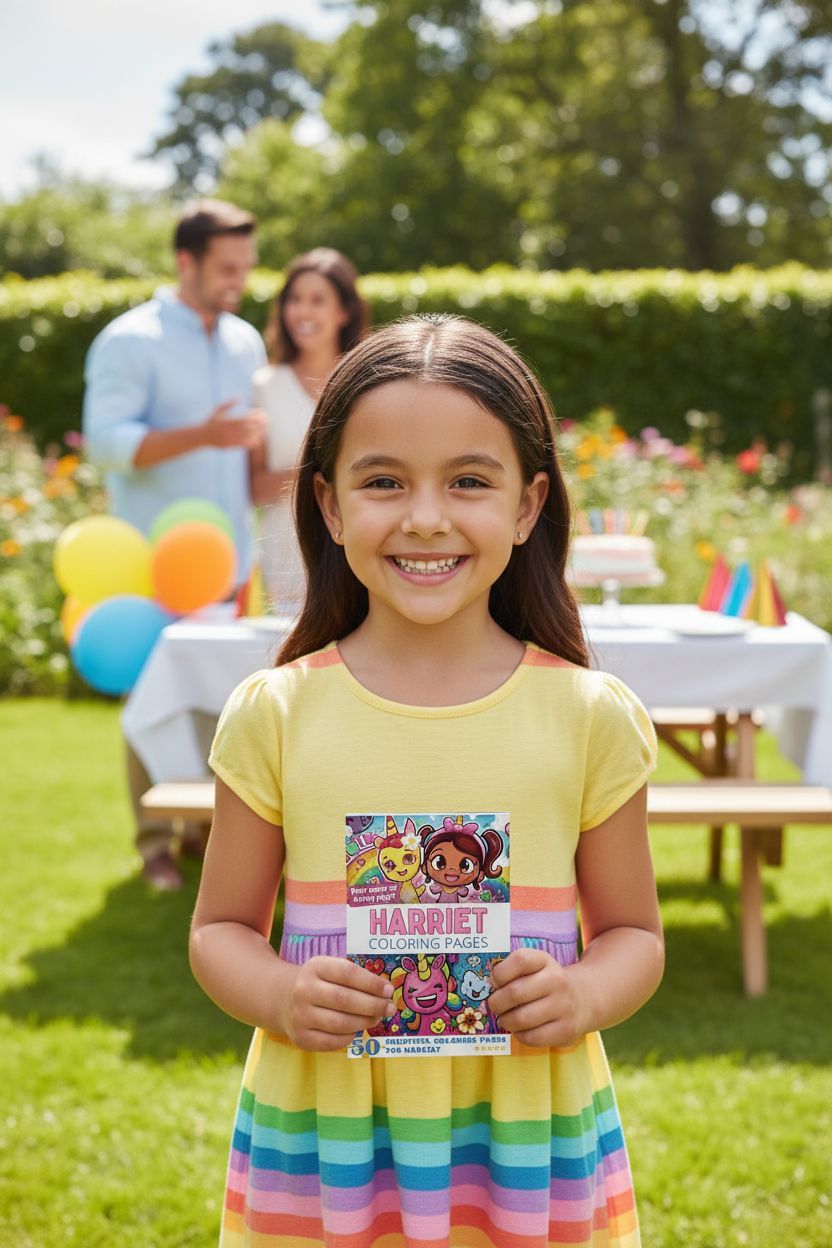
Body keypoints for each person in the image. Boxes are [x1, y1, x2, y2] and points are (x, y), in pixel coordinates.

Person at [190, 315, 665, 1248]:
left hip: (525, 1146)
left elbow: (635, 935)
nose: (425, 517)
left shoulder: (588, 714)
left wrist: (586, 996)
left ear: (528, 507)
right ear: (328, 505)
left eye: (470, 482)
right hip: (326, 1147)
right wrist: (281, 995)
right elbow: (218, 931)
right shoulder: (276, 714)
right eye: (383, 482)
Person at [82, 199, 267, 890]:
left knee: (223, 699)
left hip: (230, 559)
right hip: (152, 566)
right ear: (185, 261)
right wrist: (203, 435)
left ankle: (206, 834)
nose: (237, 281)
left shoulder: (246, 341)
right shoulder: (130, 341)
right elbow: (106, 442)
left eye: (245, 268)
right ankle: (155, 845)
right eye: (226, 268)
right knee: (154, 700)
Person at [249, 248, 368, 614]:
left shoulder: (365, 383)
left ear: (343, 310)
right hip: (286, 565)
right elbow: (256, 489)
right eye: (294, 299)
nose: (303, 311)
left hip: (359, 561)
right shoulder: (263, 386)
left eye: (317, 300)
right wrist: (315, 471)